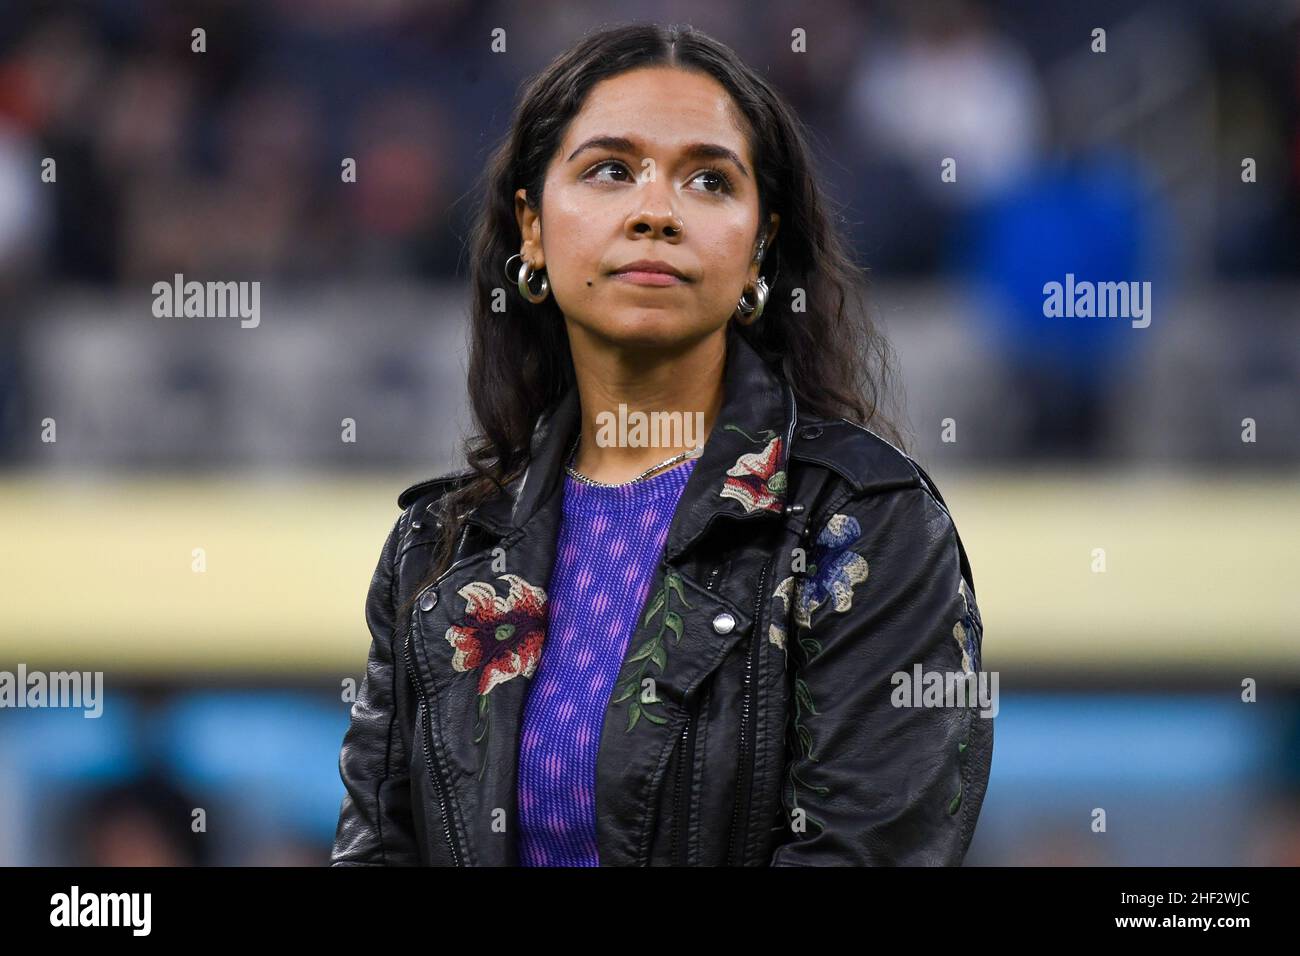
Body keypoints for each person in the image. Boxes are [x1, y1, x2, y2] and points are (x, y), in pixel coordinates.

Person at [331, 22, 991, 867]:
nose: (655, 212)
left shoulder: (868, 525)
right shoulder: (437, 551)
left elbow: (865, 852)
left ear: (759, 246)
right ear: (531, 227)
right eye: (609, 170)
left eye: (709, 180)